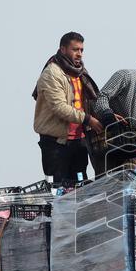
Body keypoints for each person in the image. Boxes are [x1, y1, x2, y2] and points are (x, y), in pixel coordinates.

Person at [32, 32, 104, 186]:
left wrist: (105, 114)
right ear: (63, 50)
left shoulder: (80, 72)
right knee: (59, 190)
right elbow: (59, 107)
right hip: (56, 143)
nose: (79, 54)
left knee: (80, 185)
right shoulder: (52, 73)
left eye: (81, 50)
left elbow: (91, 101)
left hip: (78, 141)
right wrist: (88, 119)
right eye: (75, 49)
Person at [89, 68, 136, 174]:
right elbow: (100, 98)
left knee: (133, 183)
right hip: (108, 142)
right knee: (107, 184)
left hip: (135, 146)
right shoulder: (125, 76)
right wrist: (108, 115)